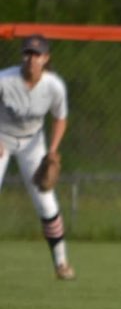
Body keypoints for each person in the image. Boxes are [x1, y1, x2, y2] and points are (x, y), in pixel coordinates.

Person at [0, 34, 75, 280]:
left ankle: (61, 263)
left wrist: (52, 150)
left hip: (33, 143)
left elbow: (60, 118)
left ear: (46, 58)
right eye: (28, 54)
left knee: (46, 201)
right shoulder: (5, 79)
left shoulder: (54, 86)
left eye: (37, 54)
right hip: (2, 138)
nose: (31, 59)